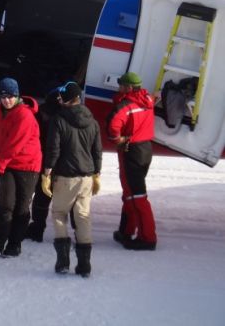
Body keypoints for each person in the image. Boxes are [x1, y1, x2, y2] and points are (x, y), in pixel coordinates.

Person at [41, 81, 102, 277]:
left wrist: (46, 173)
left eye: (61, 96)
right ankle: (85, 266)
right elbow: (97, 151)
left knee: (59, 214)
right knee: (83, 218)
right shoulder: (92, 121)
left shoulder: (59, 120)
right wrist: (97, 174)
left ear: (67, 99)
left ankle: (63, 261)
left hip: (65, 177)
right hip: (86, 178)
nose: (59, 99)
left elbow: (53, 149)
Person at [0, 77, 41, 257]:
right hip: (8, 164)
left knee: (21, 207)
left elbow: (14, 144)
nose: (6, 100)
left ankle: (14, 243)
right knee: (5, 204)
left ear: (17, 96)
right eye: (3, 96)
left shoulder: (24, 115)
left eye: (10, 96)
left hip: (28, 165)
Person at [107, 72, 157, 250]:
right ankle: (126, 231)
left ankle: (147, 238)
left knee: (137, 196)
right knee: (131, 193)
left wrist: (117, 140)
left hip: (131, 152)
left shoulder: (126, 106)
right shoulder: (148, 101)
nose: (119, 88)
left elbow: (113, 125)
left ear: (129, 88)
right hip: (145, 149)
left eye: (121, 85)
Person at [25, 87, 63, 242]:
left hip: (41, 159)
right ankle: (76, 235)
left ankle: (36, 228)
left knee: (38, 195)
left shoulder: (40, 113)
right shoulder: (65, 115)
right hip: (62, 162)